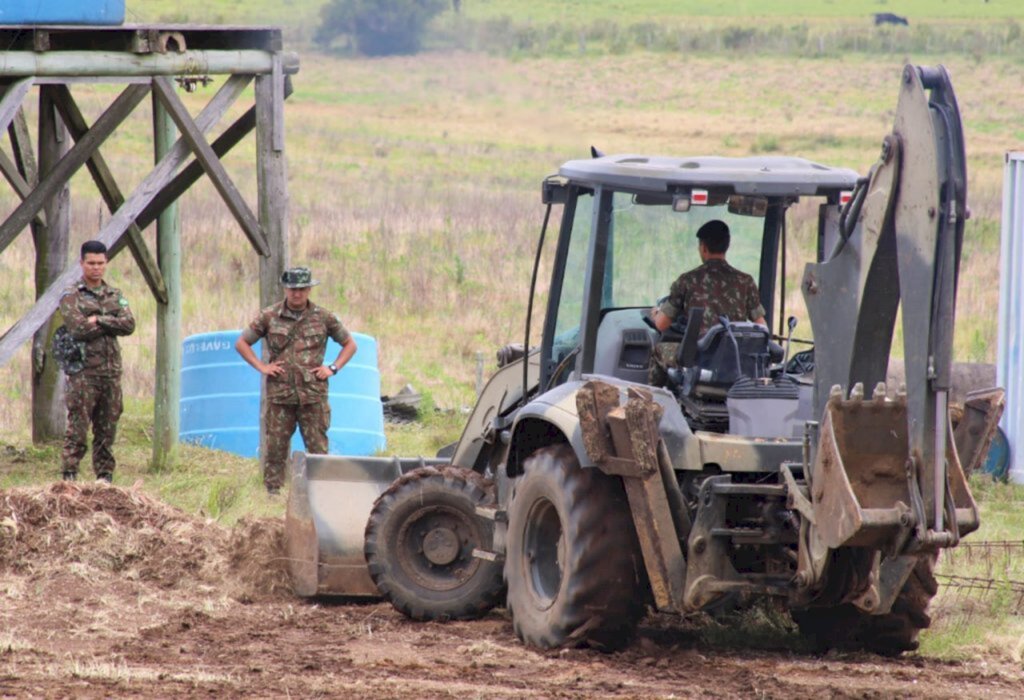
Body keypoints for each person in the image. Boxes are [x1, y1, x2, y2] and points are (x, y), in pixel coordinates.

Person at [235, 267, 357, 494]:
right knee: (275, 449)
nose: (297, 294)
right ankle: (272, 494)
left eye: (301, 289)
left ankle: (321, 494)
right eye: (292, 289)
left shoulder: (324, 317)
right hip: (281, 396)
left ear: (309, 289)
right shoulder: (269, 316)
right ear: (285, 289)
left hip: (313, 395)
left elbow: (350, 345)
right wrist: (262, 366)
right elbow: (242, 343)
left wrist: (332, 368)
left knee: (318, 449)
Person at [649, 219, 766, 384]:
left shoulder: (687, 281)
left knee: (659, 350)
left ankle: (654, 403)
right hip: (736, 363)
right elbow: (762, 328)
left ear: (703, 248)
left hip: (699, 361)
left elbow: (661, 325)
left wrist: (655, 314)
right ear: (727, 246)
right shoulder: (746, 281)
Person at [59, 240, 136, 482]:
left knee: (107, 430)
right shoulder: (72, 296)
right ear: (82, 263)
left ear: (106, 263)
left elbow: (129, 324)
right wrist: (108, 322)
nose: (96, 268)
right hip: (84, 374)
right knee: (78, 429)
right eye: (91, 263)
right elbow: (78, 329)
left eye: (100, 263)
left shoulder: (115, 294)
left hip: (111, 374)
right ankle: (69, 475)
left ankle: (104, 478)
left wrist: (98, 320)